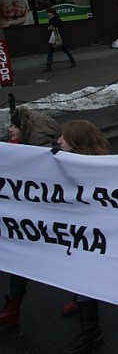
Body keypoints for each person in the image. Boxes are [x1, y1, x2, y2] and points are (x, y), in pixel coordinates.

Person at [52, 121, 110, 354]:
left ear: (76, 141)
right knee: (82, 278)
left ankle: (91, 332)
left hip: (100, 236)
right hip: (80, 236)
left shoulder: (100, 168)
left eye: (64, 138)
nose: (58, 141)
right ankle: (90, 329)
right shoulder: (61, 163)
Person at [0, 108, 61, 332]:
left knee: (70, 260)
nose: (10, 130)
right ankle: (12, 308)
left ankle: (85, 304)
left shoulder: (42, 154)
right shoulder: (18, 150)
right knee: (20, 261)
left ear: (24, 129)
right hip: (29, 221)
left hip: (51, 221)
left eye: (14, 126)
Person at [45, 7, 77, 71]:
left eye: (48, 12)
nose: (47, 14)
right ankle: (48, 67)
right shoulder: (51, 19)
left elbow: (62, 27)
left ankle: (73, 62)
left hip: (58, 38)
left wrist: (53, 27)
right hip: (52, 38)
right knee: (50, 52)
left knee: (65, 50)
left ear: (52, 13)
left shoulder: (56, 19)